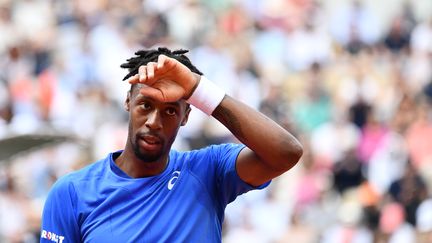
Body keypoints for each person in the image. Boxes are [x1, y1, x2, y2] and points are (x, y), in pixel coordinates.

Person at [40, 47, 303, 242]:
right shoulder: (72, 192)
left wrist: (198, 89)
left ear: (186, 115)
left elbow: (285, 153)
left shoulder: (207, 171)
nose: (154, 122)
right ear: (128, 102)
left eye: (169, 111)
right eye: (145, 105)